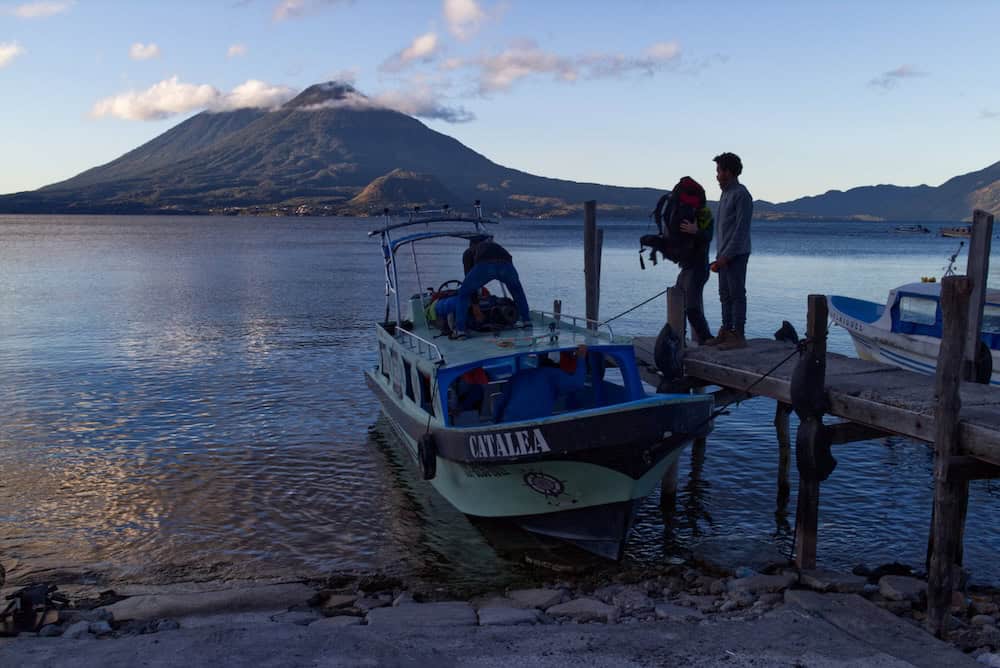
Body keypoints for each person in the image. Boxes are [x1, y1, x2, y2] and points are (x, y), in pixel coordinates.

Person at [708, 152, 753, 351]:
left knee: (736, 294)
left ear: (729, 172)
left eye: (719, 171)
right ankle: (726, 331)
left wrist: (727, 256)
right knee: (724, 294)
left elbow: (741, 230)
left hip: (736, 254)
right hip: (723, 254)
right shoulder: (725, 193)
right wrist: (720, 255)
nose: (717, 175)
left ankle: (739, 335)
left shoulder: (741, 194)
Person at [453, 237, 531, 339]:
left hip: (486, 265)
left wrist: (475, 307)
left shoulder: (469, 252)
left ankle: (460, 331)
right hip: (506, 265)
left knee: (463, 293)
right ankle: (527, 321)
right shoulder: (495, 246)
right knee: (517, 291)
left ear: (472, 245)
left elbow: (469, 278)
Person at [672, 177, 715, 345]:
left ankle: (706, 340)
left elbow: (708, 236)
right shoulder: (686, 212)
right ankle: (679, 340)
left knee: (692, 307)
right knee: (677, 299)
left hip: (698, 267)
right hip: (687, 267)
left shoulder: (704, 213)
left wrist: (695, 230)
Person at [498, 345, 588, 422]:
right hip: (537, 423)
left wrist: (496, 423)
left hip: (509, 421)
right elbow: (578, 384)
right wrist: (581, 358)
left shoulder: (518, 375)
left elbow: (500, 403)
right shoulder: (553, 374)